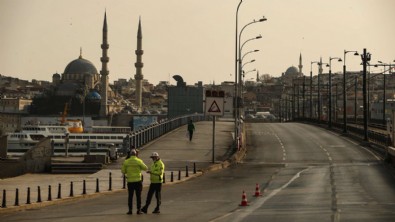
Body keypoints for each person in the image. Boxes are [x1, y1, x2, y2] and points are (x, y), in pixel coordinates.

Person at [121, 149, 148, 215]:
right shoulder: (139, 161)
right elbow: (145, 168)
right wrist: (139, 168)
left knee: (130, 196)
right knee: (138, 196)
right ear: (136, 154)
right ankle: (138, 210)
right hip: (138, 181)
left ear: (130, 154)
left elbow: (123, 171)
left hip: (130, 181)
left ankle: (130, 210)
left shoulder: (126, 162)